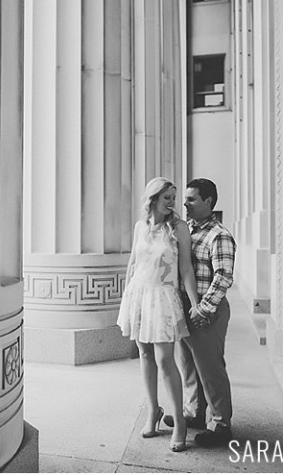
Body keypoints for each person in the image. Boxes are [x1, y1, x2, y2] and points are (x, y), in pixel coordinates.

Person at [117, 177, 203, 453]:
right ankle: (153, 411)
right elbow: (133, 262)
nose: (172, 202)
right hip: (139, 295)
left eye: (173, 197)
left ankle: (179, 422)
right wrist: (126, 298)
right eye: (166, 197)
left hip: (164, 297)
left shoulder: (179, 228)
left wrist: (195, 303)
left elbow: (186, 269)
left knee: (165, 360)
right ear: (152, 198)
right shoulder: (140, 226)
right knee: (144, 354)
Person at [163, 178, 236, 447]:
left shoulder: (220, 235)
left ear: (209, 202)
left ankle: (220, 425)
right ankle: (194, 413)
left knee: (210, 368)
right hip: (186, 308)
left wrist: (203, 308)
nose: (185, 203)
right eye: (186, 198)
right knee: (189, 365)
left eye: (192, 199)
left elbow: (224, 276)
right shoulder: (188, 230)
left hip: (208, 312)